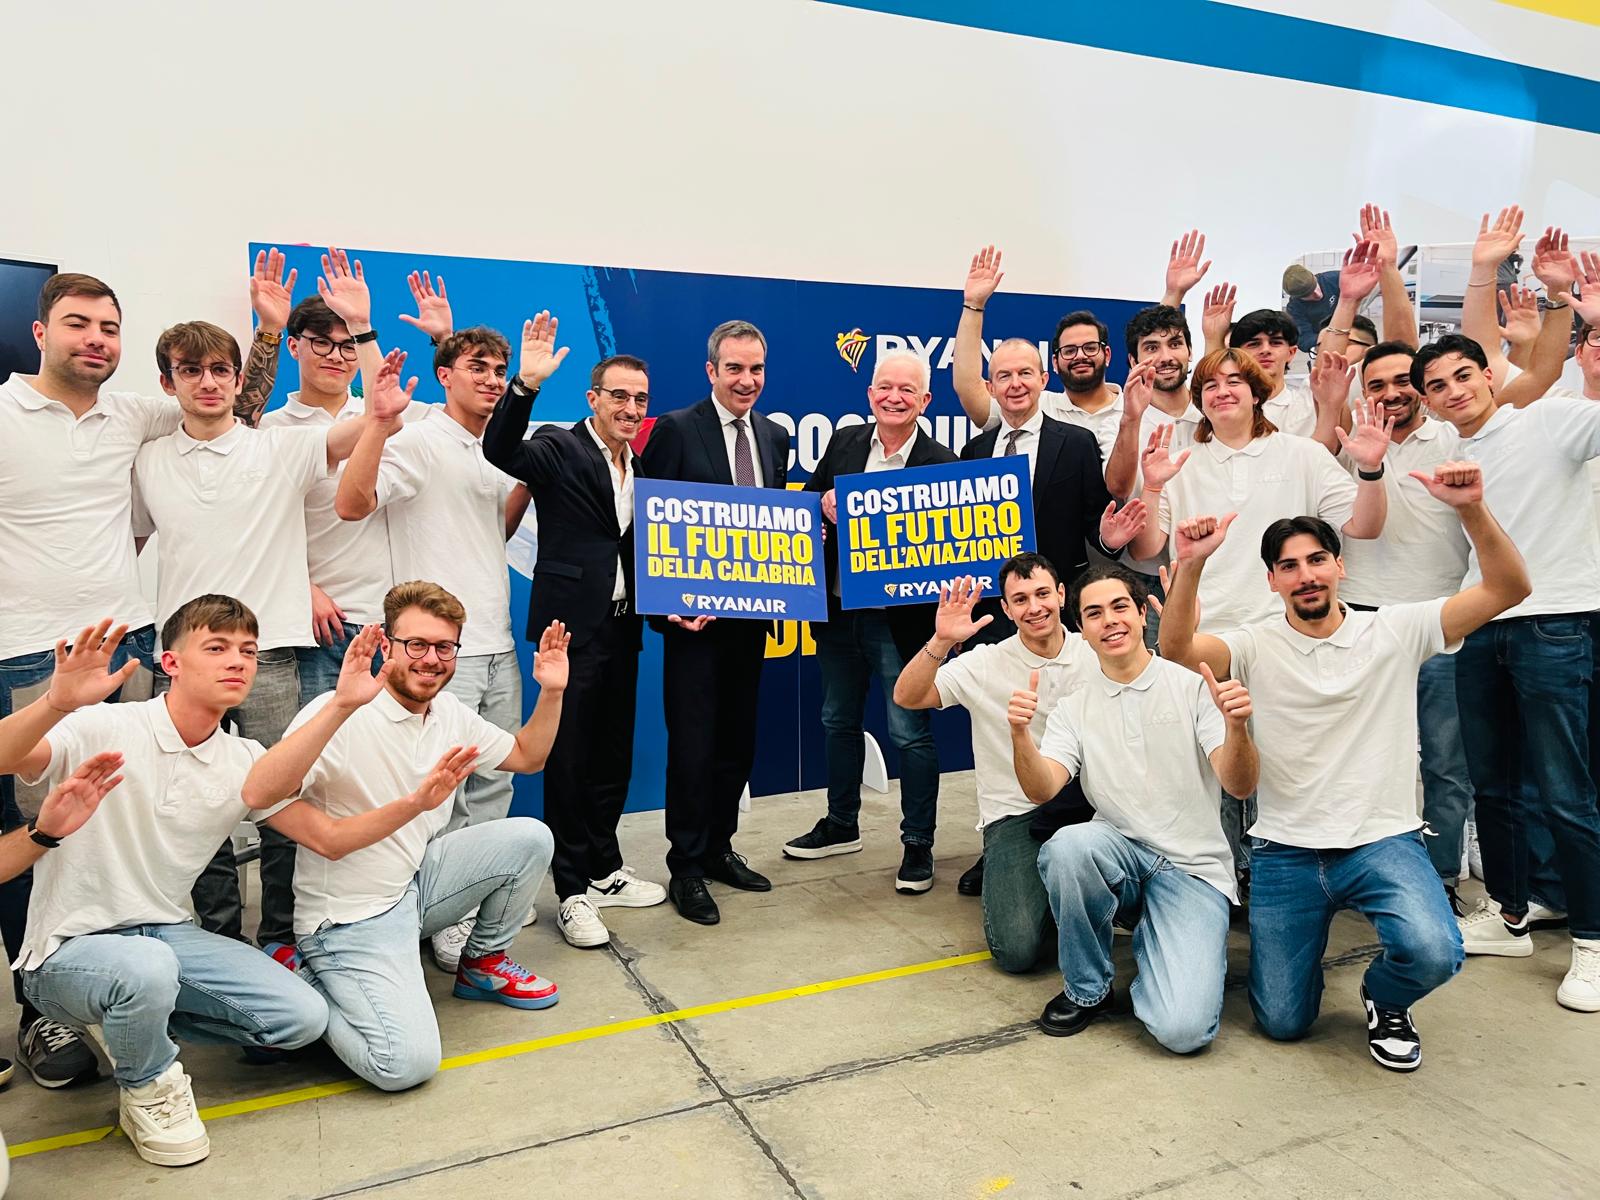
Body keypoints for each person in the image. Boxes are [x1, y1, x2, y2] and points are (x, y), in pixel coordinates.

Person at [0, 258, 288, 1087]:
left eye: (109, 328)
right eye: (79, 325)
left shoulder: (133, 415)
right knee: (41, 828)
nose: (96, 341)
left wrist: (267, 332)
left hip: (126, 649)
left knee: (118, 820)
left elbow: (234, 405)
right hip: (27, 654)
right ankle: (42, 1009)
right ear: (40, 332)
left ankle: (137, 976)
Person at [1159, 465, 1532, 1070]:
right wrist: (1194, 560)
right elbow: (1175, 650)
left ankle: (1384, 997)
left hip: (1381, 841)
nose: (1305, 575)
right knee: (1282, 1022)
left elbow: (1509, 588)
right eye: (1289, 566)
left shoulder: (1396, 629)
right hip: (1285, 852)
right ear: (1273, 582)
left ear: (1340, 567)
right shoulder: (1254, 644)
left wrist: (1470, 509)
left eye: (1316, 560)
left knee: (1435, 950)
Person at [0, 601, 329, 1166]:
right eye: (218, 647)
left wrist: (417, 796)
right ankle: (146, 1083)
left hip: (166, 938)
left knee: (300, 1020)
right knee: (145, 970)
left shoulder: (245, 758)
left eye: (248, 651)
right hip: (66, 949)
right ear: (170, 661)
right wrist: (56, 701)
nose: (239, 662)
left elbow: (329, 837)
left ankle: (131, 1020)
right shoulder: (105, 724)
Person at [132, 317, 399, 965]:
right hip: (183, 663)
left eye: (220, 369)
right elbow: (130, 546)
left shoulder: (279, 447)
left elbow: (349, 434)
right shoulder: (147, 460)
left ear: (236, 378)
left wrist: (381, 414)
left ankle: (281, 936)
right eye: (190, 370)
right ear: (168, 382)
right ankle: (219, 942)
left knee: (283, 800)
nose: (207, 382)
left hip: (272, 653)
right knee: (194, 809)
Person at [241, 583, 569, 1091]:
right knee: (403, 1065)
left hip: (413, 887)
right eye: (416, 644)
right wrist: (344, 712)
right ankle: (303, 981)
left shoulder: (449, 714)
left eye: (444, 647)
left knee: (529, 837)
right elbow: (261, 792)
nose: (431, 659)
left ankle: (481, 965)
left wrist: (551, 692)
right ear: (388, 645)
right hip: (348, 920)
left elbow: (528, 758)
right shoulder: (342, 711)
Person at [1413, 329, 1600, 1012]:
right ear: (1428, 401)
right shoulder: (1456, 452)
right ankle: (1510, 914)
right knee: (1493, 785)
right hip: (1483, 624)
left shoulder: (1550, 419)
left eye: (1464, 375)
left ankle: (1592, 941)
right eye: (1438, 385)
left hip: (1558, 623)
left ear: (1490, 375)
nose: (1454, 391)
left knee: (1566, 791)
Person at [335, 322, 532, 967]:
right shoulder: (419, 440)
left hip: (496, 639)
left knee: (493, 786)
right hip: (442, 652)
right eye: (476, 365)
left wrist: (527, 480)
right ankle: (443, 911)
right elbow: (354, 501)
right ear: (444, 375)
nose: (490, 378)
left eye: (499, 369)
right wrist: (375, 428)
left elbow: (491, 532)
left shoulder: (499, 449)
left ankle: (484, 896)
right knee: (443, 793)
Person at [1010, 565, 1257, 1049]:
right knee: (1069, 848)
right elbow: (1042, 789)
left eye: (1120, 606)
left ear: (1142, 612)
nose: (1110, 621)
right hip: (1120, 852)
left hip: (1192, 869)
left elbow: (1239, 784)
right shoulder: (1074, 707)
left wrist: (1239, 728)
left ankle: (1159, 939)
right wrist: (1020, 736)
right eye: (1094, 613)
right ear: (1082, 629)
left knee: (1183, 1032)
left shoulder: (1192, 687)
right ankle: (1088, 989)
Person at [483, 320, 668, 948]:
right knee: (568, 760)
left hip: (624, 628)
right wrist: (525, 386)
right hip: (569, 633)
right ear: (594, 399)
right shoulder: (559, 448)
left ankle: (604, 867)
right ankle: (570, 890)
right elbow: (500, 451)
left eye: (640, 399)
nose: (631, 409)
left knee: (613, 755)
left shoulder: (641, 464)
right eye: (619, 396)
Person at [781, 349, 957, 893]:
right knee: (837, 720)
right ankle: (841, 824)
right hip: (839, 614)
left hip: (900, 625)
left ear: (925, 400)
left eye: (907, 389)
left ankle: (918, 843)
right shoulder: (845, 442)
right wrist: (824, 508)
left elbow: (955, 547)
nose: (894, 397)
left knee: (909, 732)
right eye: (885, 386)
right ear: (869, 393)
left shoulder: (943, 463)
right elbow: (806, 510)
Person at [638, 320, 790, 926]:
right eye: (734, 369)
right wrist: (666, 604)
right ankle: (687, 866)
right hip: (694, 629)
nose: (746, 380)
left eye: (756, 369)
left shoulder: (775, 437)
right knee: (695, 748)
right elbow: (649, 521)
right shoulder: (675, 429)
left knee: (735, 746)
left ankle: (721, 846)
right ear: (711, 371)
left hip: (751, 627)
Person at [893, 558, 1096, 974]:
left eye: (1042, 594)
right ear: (1006, 610)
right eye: (1020, 600)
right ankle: (1041, 892)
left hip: (1094, 808)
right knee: (1016, 951)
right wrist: (941, 641)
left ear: (1061, 596)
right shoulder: (985, 662)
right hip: (1016, 814)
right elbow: (908, 696)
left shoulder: (1096, 650)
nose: (1034, 607)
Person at [1328, 342, 1474, 909]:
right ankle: (1353, 872)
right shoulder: (1345, 446)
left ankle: (1439, 880)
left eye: (1401, 381)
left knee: (1444, 760)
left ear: (1422, 385)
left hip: (1441, 619)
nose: (1390, 394)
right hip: (1361, 616)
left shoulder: (1454, 440)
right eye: (1376, 385)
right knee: (1357, 753)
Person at [259, 251, 434, 706]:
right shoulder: (271, 430)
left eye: (347, 345)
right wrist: (303, 588)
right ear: (294, 346)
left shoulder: (384, 419)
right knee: (319, 761)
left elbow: (386, 408)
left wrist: (362, 324)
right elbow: (259, 529)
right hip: (316, 626)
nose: (337, 356)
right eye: (322, 342)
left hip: (389, 627)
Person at [955, 247, 1139, 498]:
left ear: (1107, 355)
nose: (1080, 356)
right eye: (1069, 350)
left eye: (1090, 347)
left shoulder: (1135, 409)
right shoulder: (1034, 403)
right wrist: (973, 306)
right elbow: (968, 386)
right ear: (1053, 364)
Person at [1283, 263, 1341, 353]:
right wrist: (1328, 336)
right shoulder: (1295, 310)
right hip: (1325, 343)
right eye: (1308, 295)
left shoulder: (1334, 278)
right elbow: (1304, 340)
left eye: (1315, 287)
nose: (1317, 294)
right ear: (1298, 298)